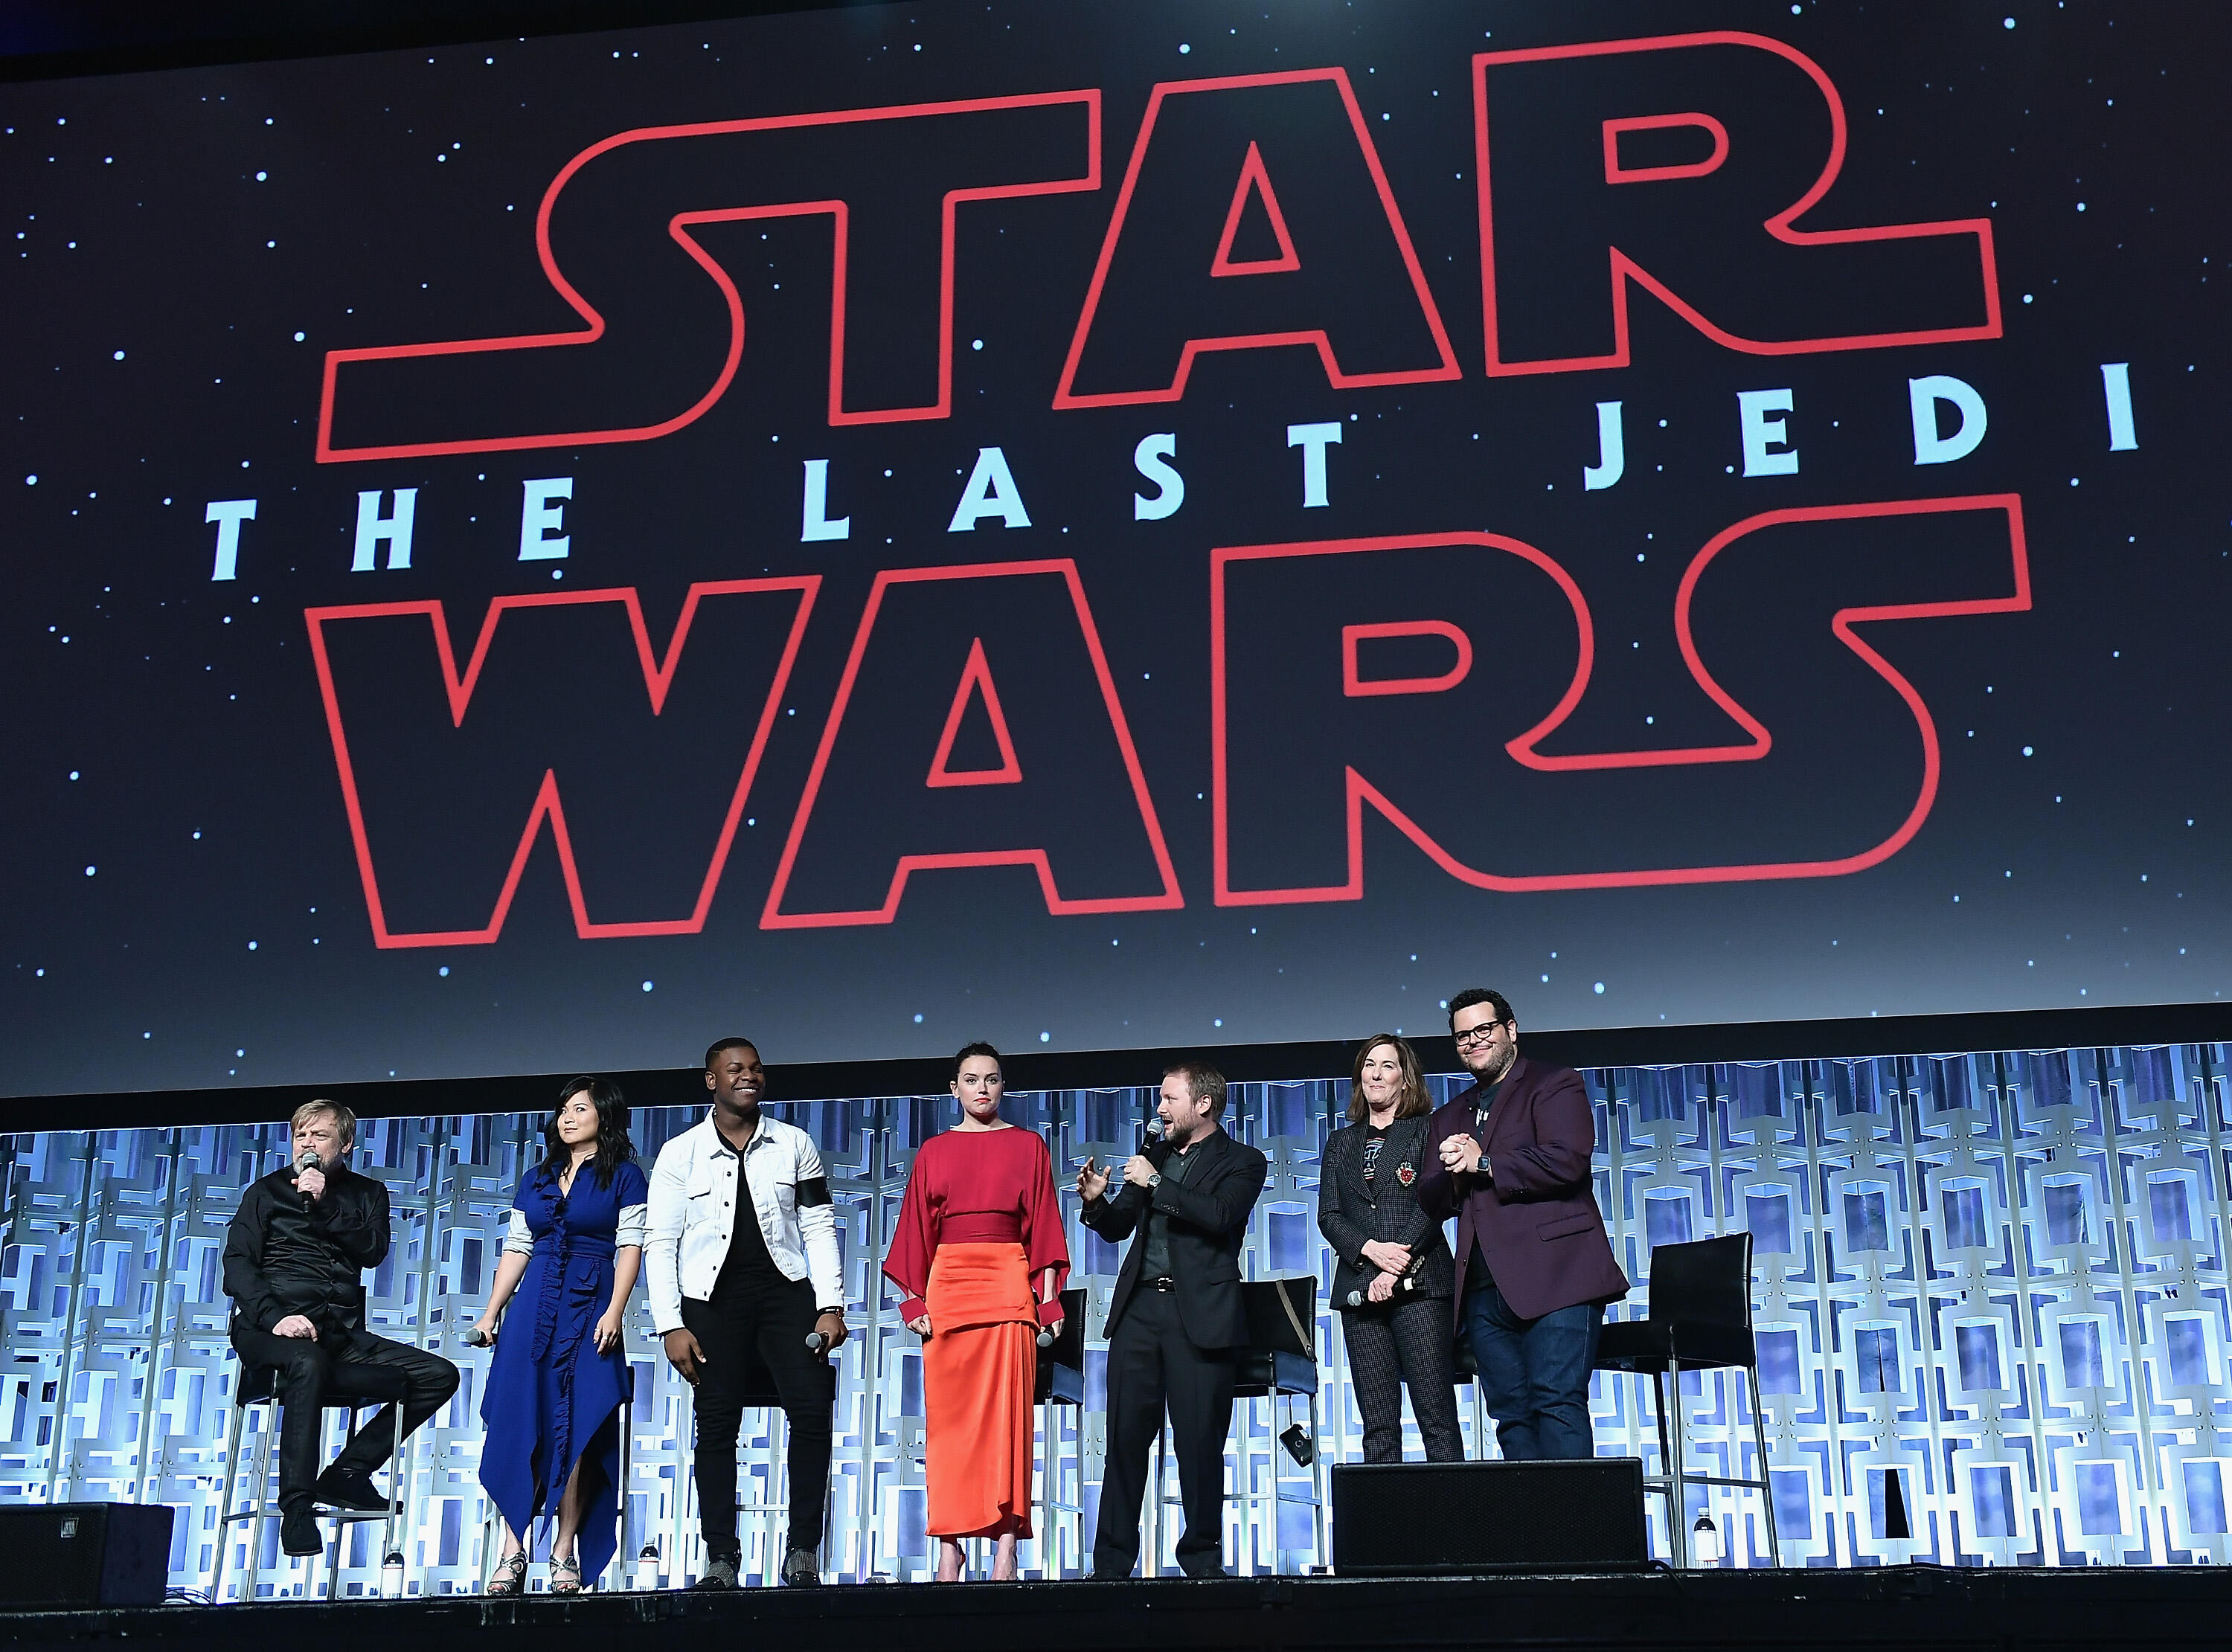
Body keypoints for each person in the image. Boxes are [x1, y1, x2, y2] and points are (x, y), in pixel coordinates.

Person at [646, 1038, 847, 1590]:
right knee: (715, 1424)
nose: (749, 1075)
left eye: (756, 1067)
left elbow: (818, 1226)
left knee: (811, 1411)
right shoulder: (678, 1153)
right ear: (711, 1080)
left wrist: (830, 1304)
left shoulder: (794, 1143)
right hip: (711, 1301)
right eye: (735, 1068)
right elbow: (660, 1241)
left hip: (786, 1295)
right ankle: (721, 1557)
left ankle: (803, 1549)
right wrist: (670, 1323)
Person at [222, 1100, 461, 1559]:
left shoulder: (368, 1194)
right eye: (301, 1136)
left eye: (320, 1137)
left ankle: (348, 1472)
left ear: (345, 1145)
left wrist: (325, 1201)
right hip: (269, 1328)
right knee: (305, 1360)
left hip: (340, 1334)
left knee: (438, 1374)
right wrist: (277, 1318)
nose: (307, 1145)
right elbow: (237, 1267)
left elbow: (372, 1251)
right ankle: (297, 1505)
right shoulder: (265, 1192)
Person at [1414, 990, 1629, 1462]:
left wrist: (1484, 1163)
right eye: (1462, 1036)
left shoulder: (1554, 1084)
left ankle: (1577, 1534)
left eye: (1483, 1030)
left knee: (1557, 1401)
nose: (1473, 1042)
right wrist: (1452, 1173)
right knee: (1511, 1414)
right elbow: (1430, 1197)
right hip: (1484, 1290)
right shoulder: (1449, 1115)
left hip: (1558, 1276)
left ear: (1510, 1030)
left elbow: (1567, 1162)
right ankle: (1534, 1534)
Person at [882, 1044, 1069, 1582]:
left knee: (1007, 1423)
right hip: (950, 1289)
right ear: (954, 1088)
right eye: (971, 1079)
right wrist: (914, 1299)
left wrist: (1049, 1298)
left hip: (1007, 1283)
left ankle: (1006, 1548)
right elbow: (917, 1227)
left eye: (991, 1078)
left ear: (1003, 1085)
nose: (982, 1088)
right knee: (950, 1428)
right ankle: (949, 1543)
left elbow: (1044, 1228)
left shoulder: (1029, 1145)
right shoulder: (934, 1151)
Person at [1077, 1061, 1266, 1580]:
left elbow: (1219, 1216)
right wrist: (1095, 1204)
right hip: (1140, 1311)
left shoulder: (1244, 1160)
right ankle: (1112, 1564)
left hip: (1199, 1316)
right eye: (1160, 1099)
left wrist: (1157, 1181)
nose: (1160, 1108)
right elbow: (1120, 1225)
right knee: (1125, 1439)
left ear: (1203, 1104)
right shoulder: (1153, 1153)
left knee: (1200, 1443)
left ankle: (1202, 1561)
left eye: (1169, 1099)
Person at [470, 1076, 648, 1595]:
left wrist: (615, 1310)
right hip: (533, 1309)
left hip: (592, 1304)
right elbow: (517, 1247)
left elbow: (631, 1246)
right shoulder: (537, 1177)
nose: (566, 1117)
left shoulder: (627, 1177)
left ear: (605, 1115)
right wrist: (490, 1313)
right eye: (562, 1109)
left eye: (579, 1108)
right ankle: (512, 1549)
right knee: (518, 1420)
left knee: (582, 1427)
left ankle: (564, 1549)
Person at [1316, 1034, 1461, 1463]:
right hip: (1360, 1291)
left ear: (1405, 1078)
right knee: (1377, 1424)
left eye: (1388, 1066)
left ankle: (1458, 1524)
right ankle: (1385, 1528)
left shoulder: (1429, 1131)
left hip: (1421, 1287)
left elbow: (1438, 1204)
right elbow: (1329, 1215)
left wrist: (1394, 1264)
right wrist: (1371, 1252)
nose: (1376, 1075)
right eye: (1369, 1066)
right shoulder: (1341, 1142)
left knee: (1435, 1417)